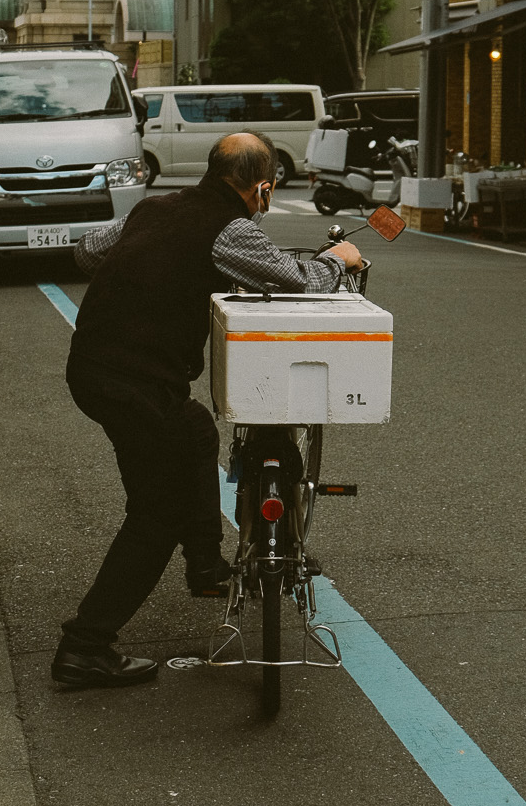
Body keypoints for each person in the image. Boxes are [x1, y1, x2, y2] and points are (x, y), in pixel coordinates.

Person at [51, 131, 365, 691]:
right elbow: (298, 281)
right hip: (134, 382)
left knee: (195, 431)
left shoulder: (155, 208)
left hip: (97, 367)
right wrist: (337, 259)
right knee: (155, 511)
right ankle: (85, 646)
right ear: (261, 188)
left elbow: (87, 252)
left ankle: (206, 567)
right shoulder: (231, 229)